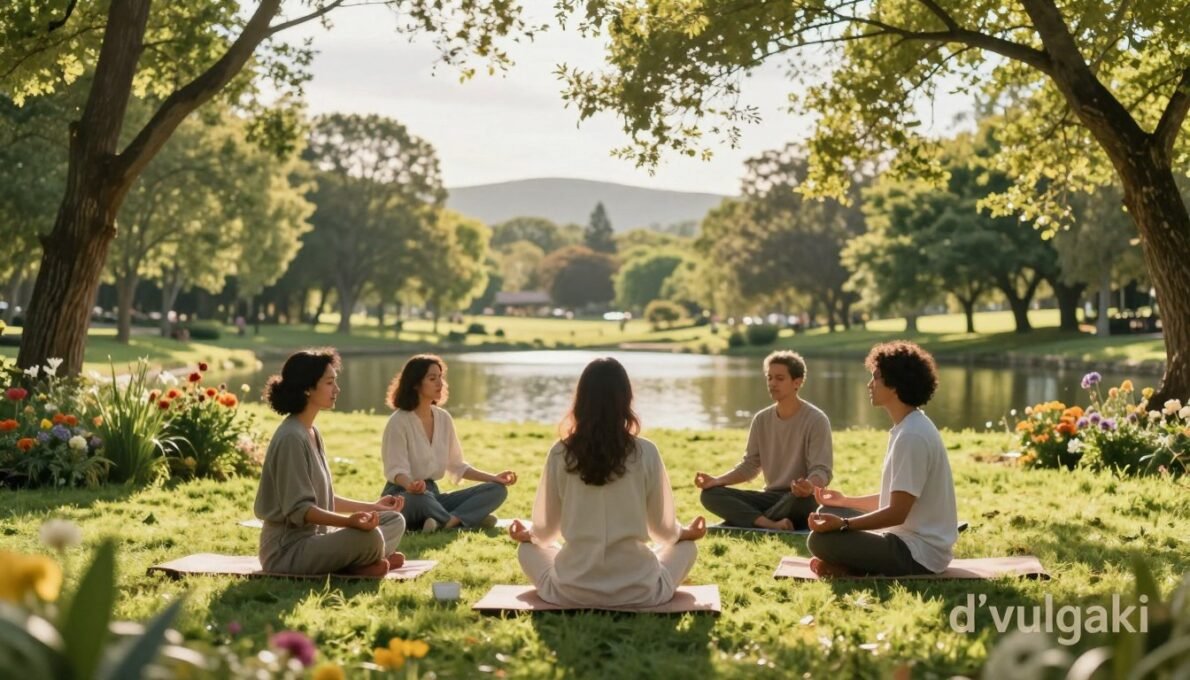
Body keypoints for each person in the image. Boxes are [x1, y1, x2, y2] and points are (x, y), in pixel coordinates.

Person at [508, 357, 706, 608]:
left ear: (581, 400)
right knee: (686, 547)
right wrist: (686, 533)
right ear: (625, 399)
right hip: (640, 591)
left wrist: (529, 535)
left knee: (527, 550)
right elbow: (663, 532)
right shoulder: (646, 452)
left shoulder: (560, 452)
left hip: (571, 592)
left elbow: (546, 534)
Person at [806, 341, 958, 577]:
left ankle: (849, 567)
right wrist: (846, 501)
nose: (870, 384)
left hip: (918, 554)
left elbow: (897, 513)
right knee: (827, 510)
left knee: (820, 541)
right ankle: (847, 566)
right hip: (902, 538)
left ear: (895, 385)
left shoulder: (912, 436)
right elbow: (895, 499)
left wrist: (844, 525)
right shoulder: (907, 427)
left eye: (876, 377)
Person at [253, 349, 407, 577]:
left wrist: (375, 508)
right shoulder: (291, 438)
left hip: (319, 538)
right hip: (287, 551)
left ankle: (365, 560)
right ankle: (366, 558)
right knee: (371, 537)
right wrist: (350, 523)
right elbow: (301, 509)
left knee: (393, 519)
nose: (337, 389)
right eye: (329, 382)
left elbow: (324, 500)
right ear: (307, 388)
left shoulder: (311, 432)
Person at [695, 350, 837, 530]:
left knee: (806, 501)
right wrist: (716, 481)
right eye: (769, 378)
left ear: (797, 382)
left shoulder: (816, 420)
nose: (772, 383)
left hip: (798, 499)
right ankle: (770, 523)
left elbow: (822, 471)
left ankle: (748, 519)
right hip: (769, 497)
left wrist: (809, 486)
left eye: (779, 378)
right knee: (710, 495)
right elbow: (750, 466)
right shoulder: (761, 419)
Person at [379, 354, 516, 532]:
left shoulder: (443, 418)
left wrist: (494, 478)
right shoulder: (398, 422)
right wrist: (411, 485)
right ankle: (464, 520)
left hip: (433, 496)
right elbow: (395, 470)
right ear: (415, 384)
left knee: (497, 490)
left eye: (440, 377)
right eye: (432, 378)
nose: (440, 383)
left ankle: (446, 521)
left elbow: (457, 465)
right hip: (404, 496)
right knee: (421, 500)